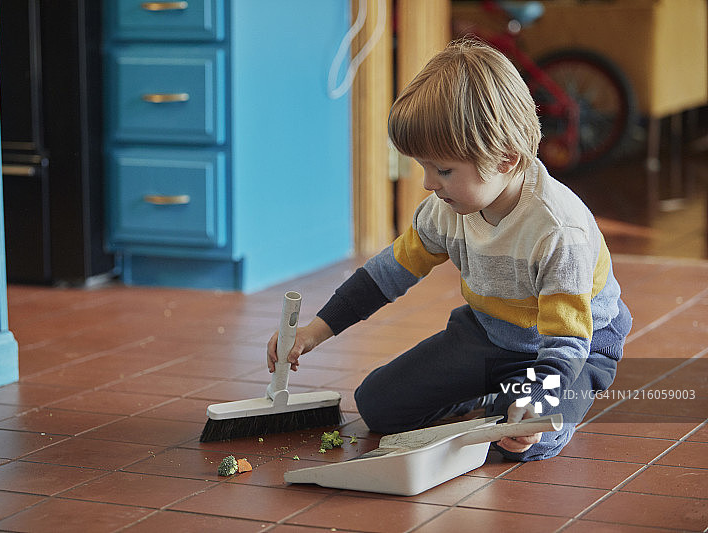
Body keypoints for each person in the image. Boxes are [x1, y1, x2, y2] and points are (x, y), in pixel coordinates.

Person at [267, 38, 632, 461]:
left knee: (525, 438)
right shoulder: (446, 206)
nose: (428, 183)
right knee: (378, 405)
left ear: (506, 160)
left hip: (573, 350)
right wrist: (316, 330)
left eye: (442, 169)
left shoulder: (558, 231)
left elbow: (566, 341)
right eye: (423, 166)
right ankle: (498, 392)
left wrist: (537, 403)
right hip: (492, 332)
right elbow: (387, 274)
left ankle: (523, 402)